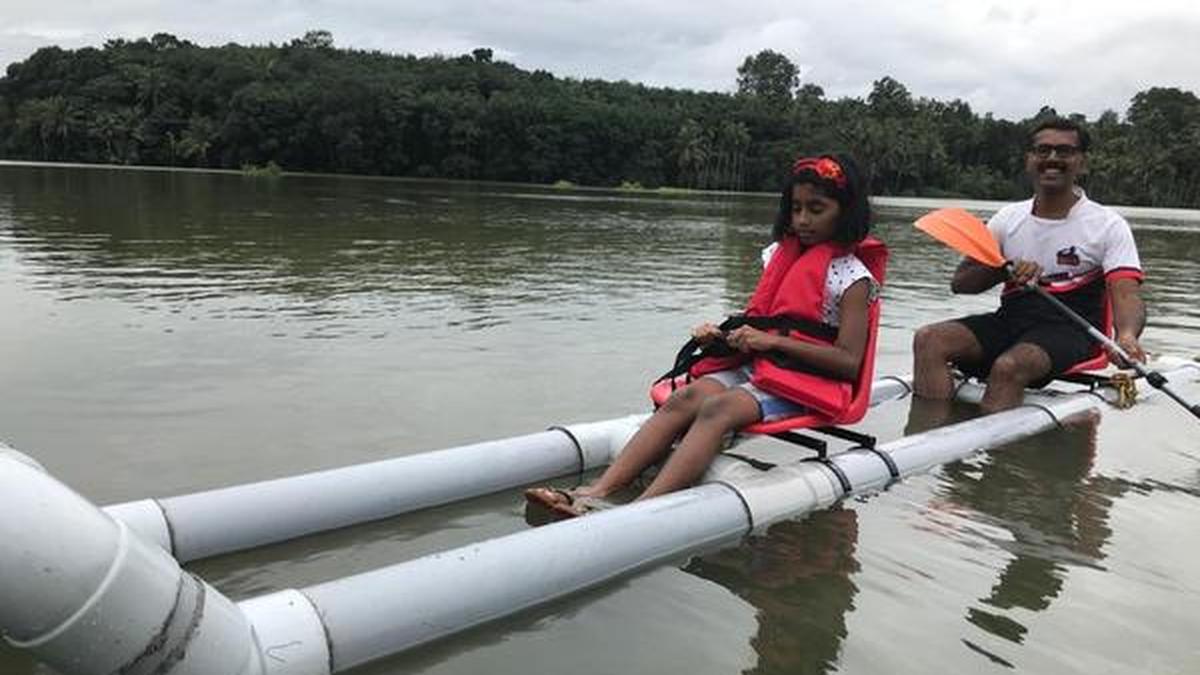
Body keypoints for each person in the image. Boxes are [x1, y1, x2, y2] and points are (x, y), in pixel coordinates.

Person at [526, 153, 884, 518]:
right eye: (796, 209)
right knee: (687, 397)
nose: (802, 220)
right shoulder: (778, 255)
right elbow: (767, 321)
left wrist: (773, 342)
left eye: (816, 209)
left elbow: (849, 363)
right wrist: (722, 336)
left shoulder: (852, 279)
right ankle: (597, 490)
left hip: (812, 383)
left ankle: (640, 510)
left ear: (845, 212)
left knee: (719, 408)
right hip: (764, 368)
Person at [912, 117, 1147, 412]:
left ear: (1081, 163)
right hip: (1012, 321)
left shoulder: (1108, 225)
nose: (1052, 158)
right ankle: (930, 436)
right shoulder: (1007, 218)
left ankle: (992, 452)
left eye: (1064, 151)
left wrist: (1125, 336)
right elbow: (960, 284)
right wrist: (1002, 269)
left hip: (1072, 331)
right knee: (929, 339)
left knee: (1008, 367)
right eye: (1043, 150)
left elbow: (1126, 294)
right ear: (1029, 160)